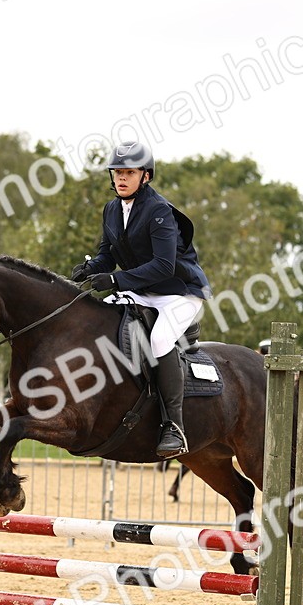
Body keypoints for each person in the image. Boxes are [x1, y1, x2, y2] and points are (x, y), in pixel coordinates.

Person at [71, 142, 211, 459]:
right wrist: (90, 269)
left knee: (160, 340)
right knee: (101, 321)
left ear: (145, 176)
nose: (121, 178)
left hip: (179, 292)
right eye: (118, 172)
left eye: (129, 172)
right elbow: (107, 256)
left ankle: (174, 427)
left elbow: (164, 265)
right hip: (141, 291)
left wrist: (116, 280)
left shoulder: (159, 211)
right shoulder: (111, 209)